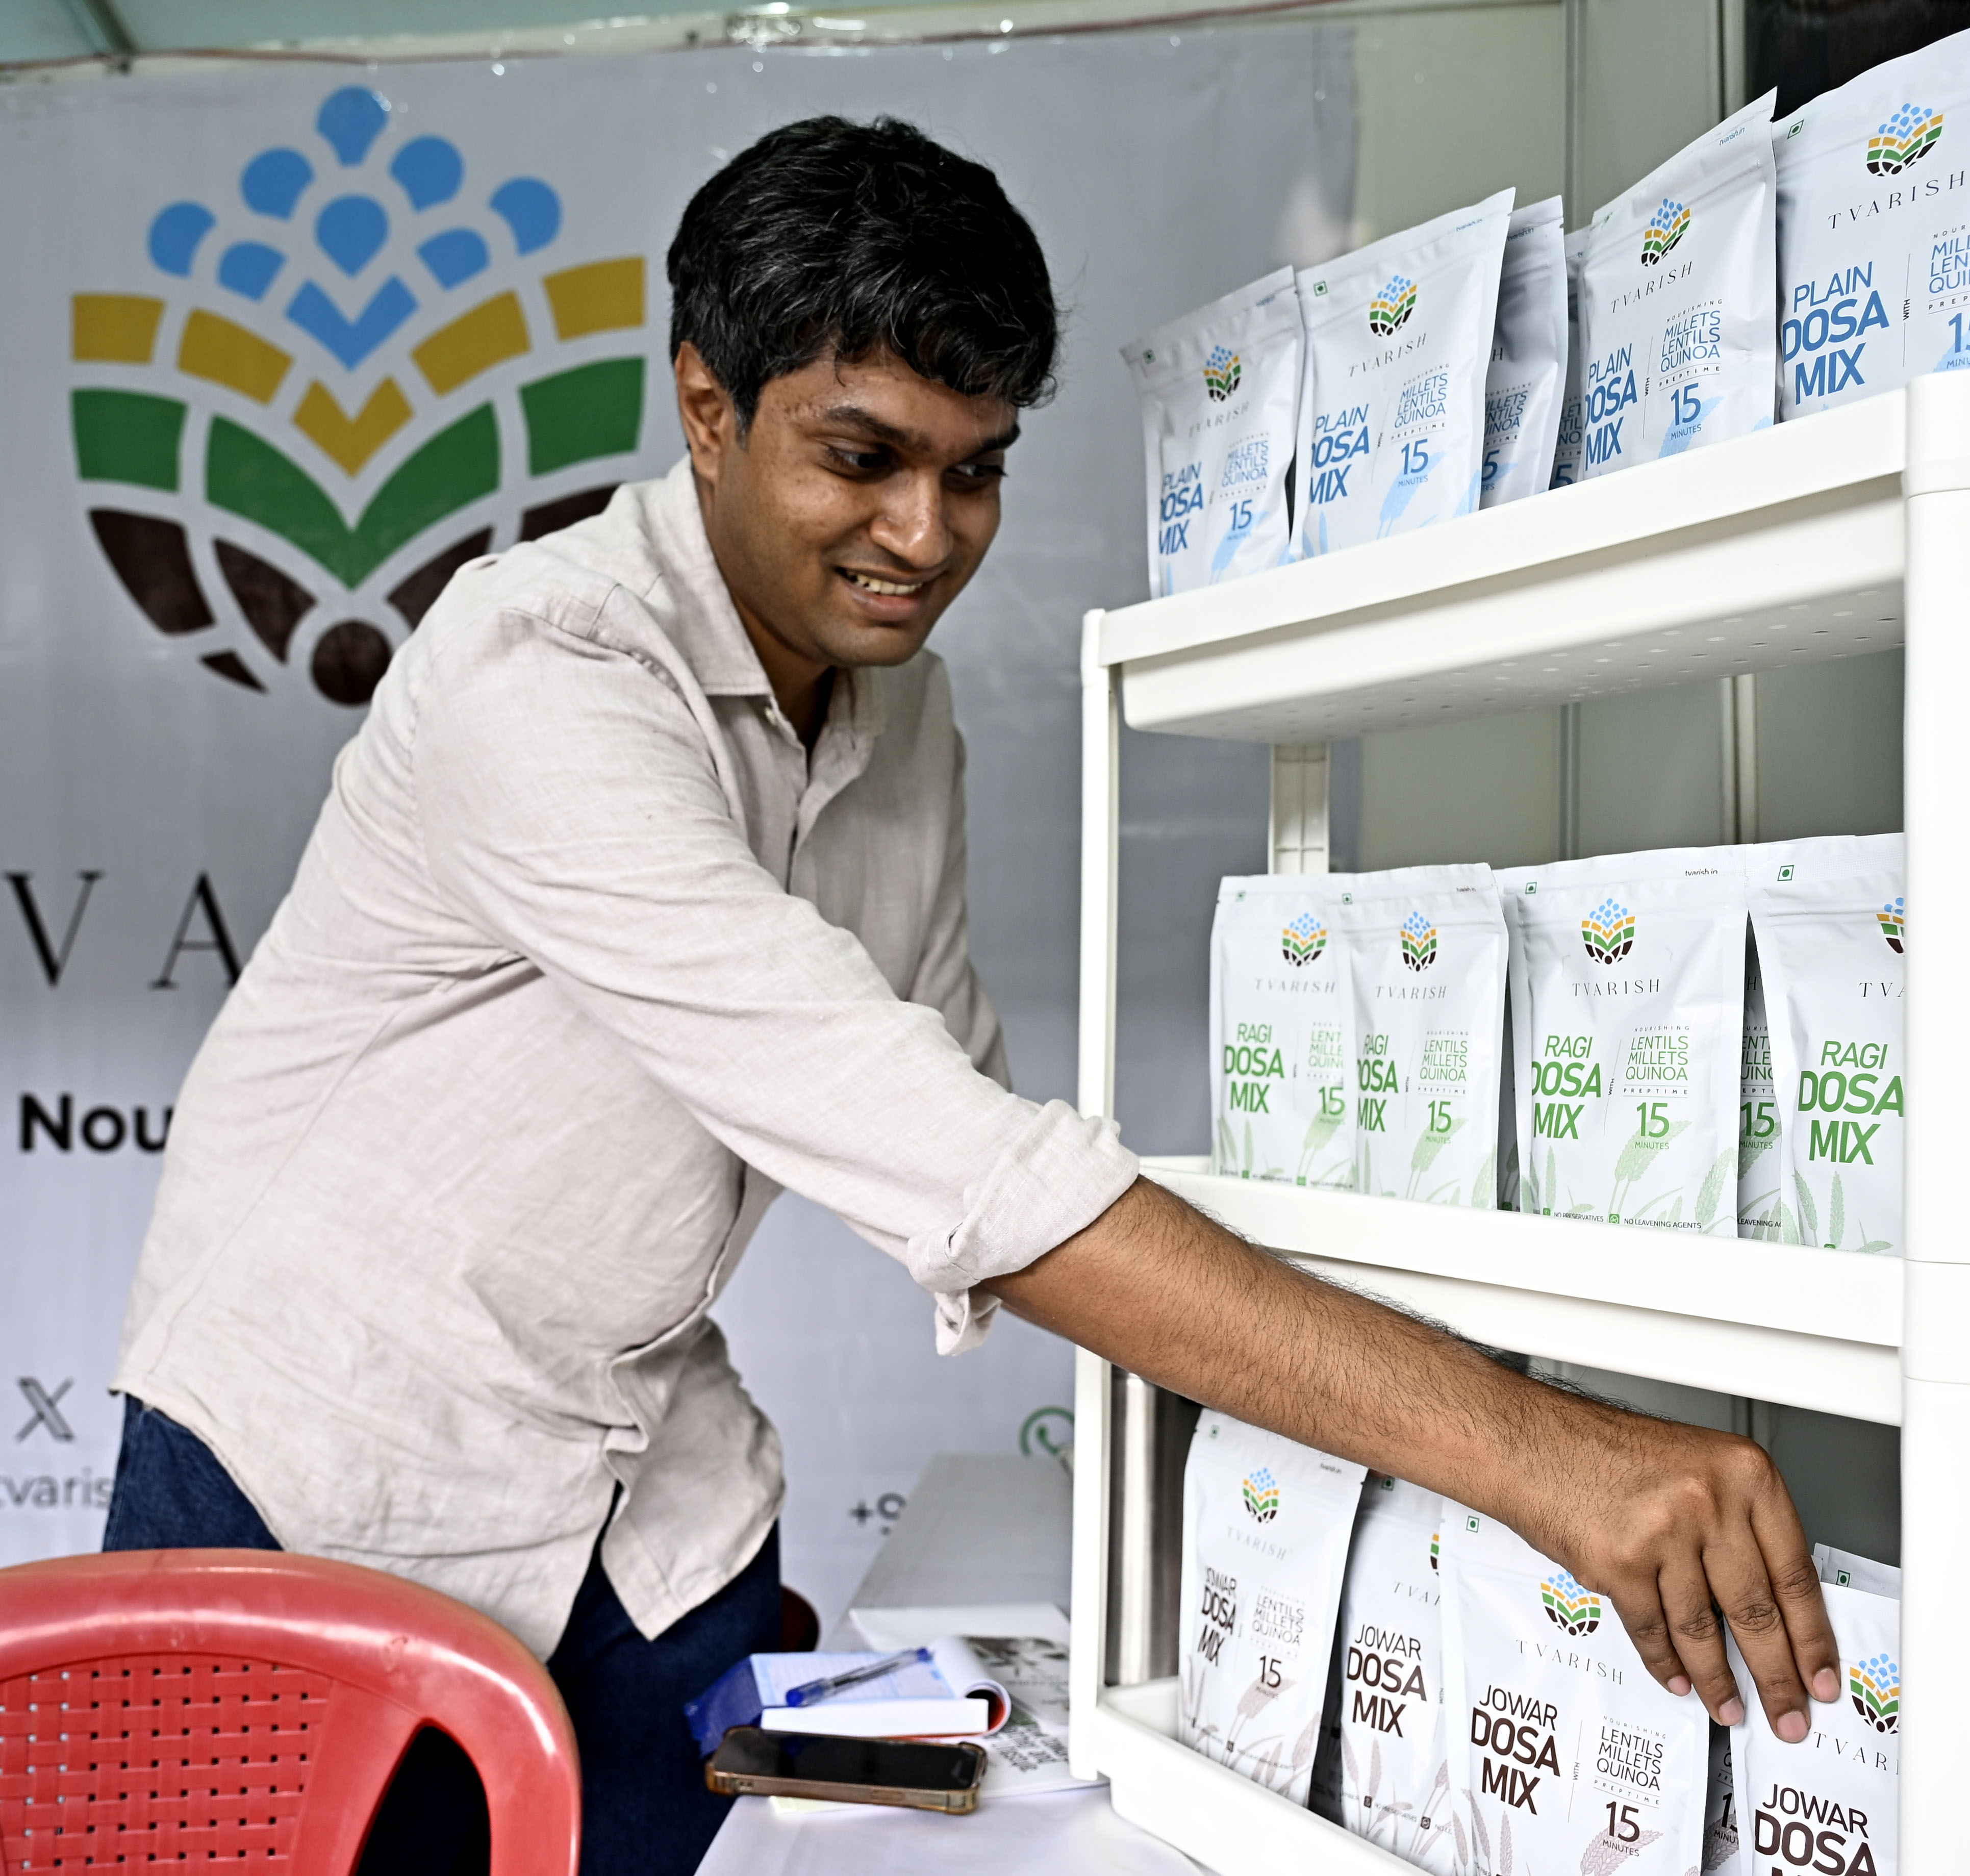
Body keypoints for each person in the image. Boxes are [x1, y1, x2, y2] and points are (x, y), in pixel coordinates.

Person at [105, 115, 1837, 1875]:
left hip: (643, 1490)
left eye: (977, 467)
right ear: (706, 408)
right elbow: (956, 1170)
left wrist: (1318, 1431)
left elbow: (975, 1105)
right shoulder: (538, 673)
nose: (925, 536)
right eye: (861, 456)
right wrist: (1537, 1454)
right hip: (318, 1478)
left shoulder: (902, 714)